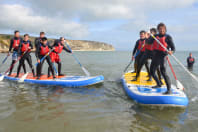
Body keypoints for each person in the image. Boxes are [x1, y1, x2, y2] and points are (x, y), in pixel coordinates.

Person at [147, 23, 175, 94]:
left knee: (163, 72)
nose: (161, 30)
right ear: (158, 30)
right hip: (155, 55)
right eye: (160, 29)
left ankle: (169, 89)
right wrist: (149, 37)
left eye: (163, 29)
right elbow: (148, 42)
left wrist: (171, 51)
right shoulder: (155, 36)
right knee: (152, 71)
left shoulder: (168, 37)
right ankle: (158, 84)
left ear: (165, 29)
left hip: (163, 56)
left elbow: (173, 48)